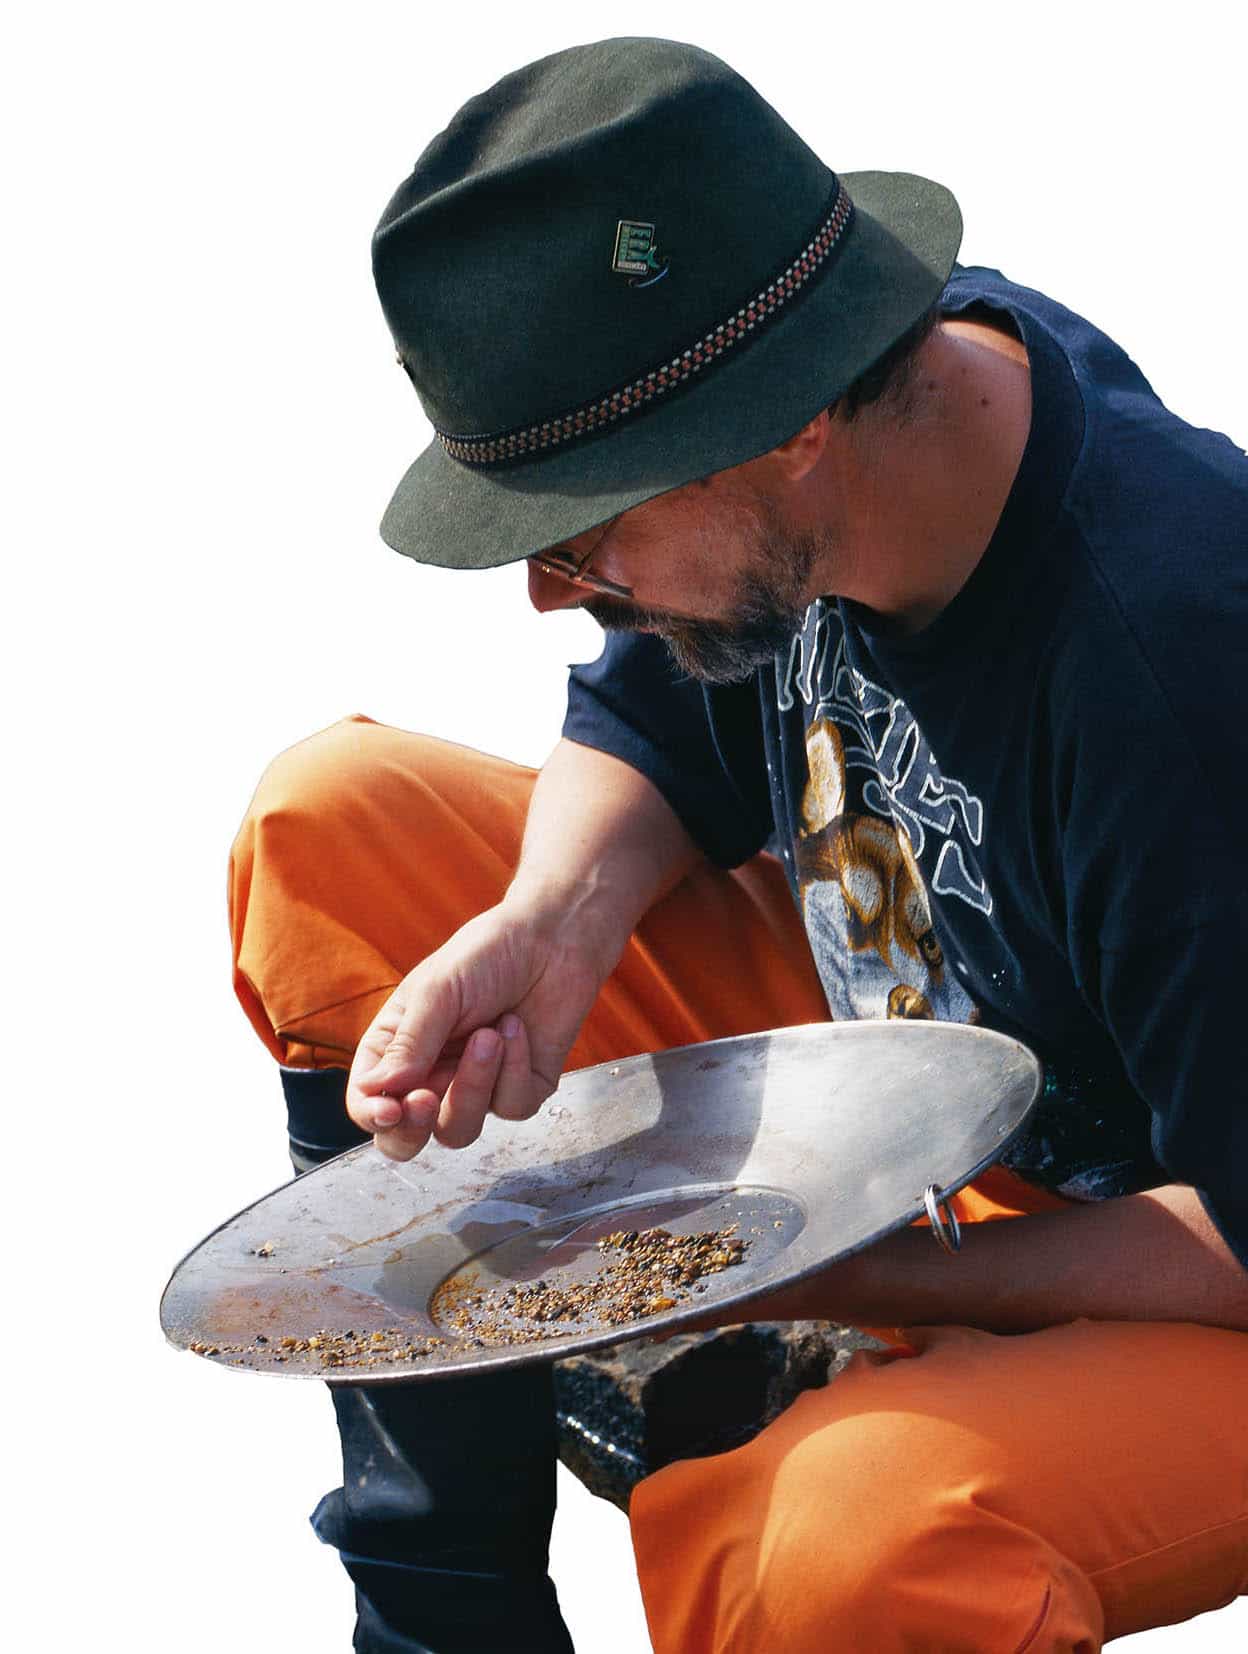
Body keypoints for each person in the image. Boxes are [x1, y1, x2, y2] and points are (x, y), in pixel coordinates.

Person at [228, 37, 1248, 1654]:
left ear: (783, 430)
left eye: (578, 529)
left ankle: (785, 1418)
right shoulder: (845, 427)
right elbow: (650, 725)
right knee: (334, 827)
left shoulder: (1183, 666)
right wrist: (556, 924)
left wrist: (810, 1270)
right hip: (947, 1096)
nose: (550, 589)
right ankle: (452, 1625)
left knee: (839, 1550)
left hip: (1200, 1261)